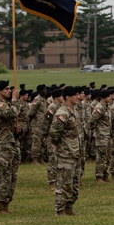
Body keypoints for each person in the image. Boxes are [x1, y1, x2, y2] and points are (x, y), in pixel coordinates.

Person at [48, 85, 82, 215]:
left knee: (74, 184)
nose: (78, 97)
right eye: (75, 95)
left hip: (75, 153)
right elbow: (54, 133)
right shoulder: (62, 113)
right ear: (68, 97)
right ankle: (60, 210)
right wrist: (62, 146)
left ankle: (69, 208)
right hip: (66, 154)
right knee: (63, 184)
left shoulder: (74, 111)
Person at [0, 81, 22, 213]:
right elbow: (12, 113)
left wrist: (15, 129)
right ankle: (1, 205)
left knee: (12, 176)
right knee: (4, 176)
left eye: (9, 89)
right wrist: (15, 99)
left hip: (11, 143)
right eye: (6, 89)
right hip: (2, 146)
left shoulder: (7, 104)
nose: (9, 91)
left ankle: (6, 202)